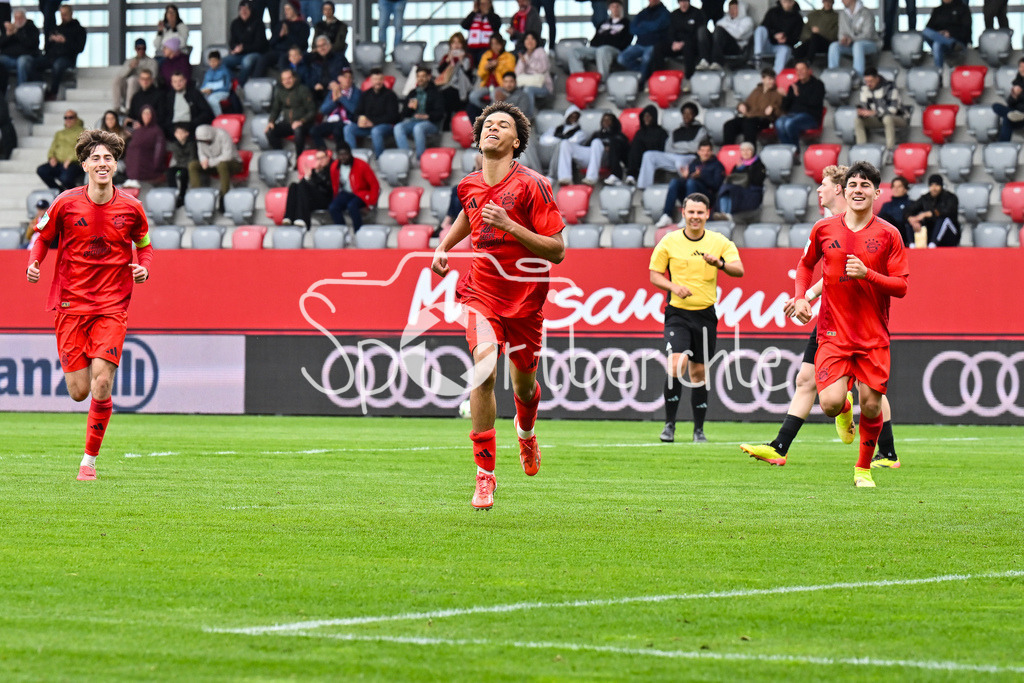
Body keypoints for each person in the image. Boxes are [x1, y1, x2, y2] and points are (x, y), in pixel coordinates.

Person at [431, 101, 565, 511]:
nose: (493, 128)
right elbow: (469, 214)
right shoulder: (469, 184)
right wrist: (444, 245)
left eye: (503, 125)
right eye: (488, 124)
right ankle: (485, 476)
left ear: (516, 141)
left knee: (524, 386)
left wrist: (509, 225)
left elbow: (557, 251)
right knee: (484, 370)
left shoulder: (533, 185)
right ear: (479, 137)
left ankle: (525, 433)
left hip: (526, 302)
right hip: (481, 294)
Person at [741, 163, 903, 470]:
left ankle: (883, 450)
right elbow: (820, 268)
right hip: (831, 318)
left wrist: (810, 296)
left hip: (857, 321)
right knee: (808, 379)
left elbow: (846, 272)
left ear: (839, 188)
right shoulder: (826, 226)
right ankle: (783, 444)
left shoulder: (867, 227)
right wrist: (804, 297)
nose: (819, 190)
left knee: (868, 391)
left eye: (825, 184)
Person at [25, 129, 152, 482]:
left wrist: (145, 267)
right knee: (79, 392)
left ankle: (89, 462)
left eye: (107, 158)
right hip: (70, 306)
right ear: (83, 164)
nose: (102, 163)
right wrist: (35, 261)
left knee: (101, 385)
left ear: (115, 164)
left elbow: (145, 244)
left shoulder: (132, 207)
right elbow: (42, 236)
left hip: (112, 306)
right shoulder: (65, 202)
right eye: (95, 158)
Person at [787, 161, 908, 487]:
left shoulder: (889, 234)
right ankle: (844, 409)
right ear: (846, 189)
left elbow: (901, 286)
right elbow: (805, 265)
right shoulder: (824, 228)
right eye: (853, 184)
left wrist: (867, 274)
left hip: (873, 336)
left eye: (865, 185)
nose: (858, 189)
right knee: (829, 403)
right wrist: (801, 297)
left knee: (871, 405)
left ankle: (863, 469)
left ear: (877, 192)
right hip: (833, 333)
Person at [650, 192, 744, 444]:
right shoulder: (669, 241)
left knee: (699, 372)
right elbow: (654, 275)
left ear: (707, 214)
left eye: (700, 213)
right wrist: (673, 286)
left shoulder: (719, 241)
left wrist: (720, 264)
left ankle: (698, 430)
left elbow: (739, 270)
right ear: (683, 213)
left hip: (705, 315)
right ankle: (669, 425)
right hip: (677, 314)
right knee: (676, 364)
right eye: (691, 212)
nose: (695, 217)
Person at [19, 3, 86, 98]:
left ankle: (53, 92)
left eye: (65, 14)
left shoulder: (79, 30)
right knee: (31, 64)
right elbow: (48, 46)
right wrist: (51, 40)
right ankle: (42, 86)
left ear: (71, 14)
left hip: (67, 58)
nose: (63, 17)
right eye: (61, 14)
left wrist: (65, 41)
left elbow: (79, 48)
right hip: (51, 56)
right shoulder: (57, 28)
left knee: (58, 65)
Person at [636, 102, 708, 190]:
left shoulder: (701, 129)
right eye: (684, 113)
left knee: (680, 161)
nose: (686, 116)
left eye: (689, 113)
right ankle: (644, 187)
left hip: (690, 157)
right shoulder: (676, 131)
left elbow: (695, 147)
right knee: (648, 155)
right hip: (674, 156)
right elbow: (668, 148)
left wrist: (677, 146)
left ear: (694, 115)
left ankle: (687, 188)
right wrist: (685, 146)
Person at [655, 139, 725, 226]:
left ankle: (688, 216)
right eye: (702, 151)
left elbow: (717, 185)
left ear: (711, 152)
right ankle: (667, 215)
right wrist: (687, 176)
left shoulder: (717, 165)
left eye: (707, 151)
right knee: (675, 182)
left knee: (692, 182)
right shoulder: (694, 163)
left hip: (707, 197)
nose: (705, 153)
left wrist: (701, 177)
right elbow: (689, 180)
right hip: (691, 194)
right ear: (698, 152)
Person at [556, 111, 628, 186]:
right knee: (565, 143)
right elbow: (587, 147)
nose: (606, 122)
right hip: (592, 158)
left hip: (605, 159)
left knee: (596, 142)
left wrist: (610, 148)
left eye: (609, 119)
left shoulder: (618, 136)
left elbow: (623, 151)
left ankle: (591, 178)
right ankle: (565, 178)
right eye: (604, 120)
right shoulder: (597, 134)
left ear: (614, 122)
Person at [567, 0, 631, 81]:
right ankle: (581, 80)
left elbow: (627, 40)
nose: (615, 9)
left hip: (614, 50)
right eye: (613, 6)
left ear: (621, 8)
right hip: (597, 49)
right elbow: (595, 38)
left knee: (602, 50)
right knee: (574, 51)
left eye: (617, 6)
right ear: (609, 8)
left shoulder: (627, 23)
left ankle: (602, 81)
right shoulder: (603, 23)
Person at [343, 67, 399, 159]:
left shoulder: (390, 95)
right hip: (367, 126)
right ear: (371, 80)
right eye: (375, 79)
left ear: (383, 80)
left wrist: (373, 122)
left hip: (385, 126)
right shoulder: (365, 95)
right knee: (348, 128)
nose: (378, 82)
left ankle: (380, 158)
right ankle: (351, 158)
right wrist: (359, 119)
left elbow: (393, 117)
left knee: (376, 131)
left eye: (380, 79)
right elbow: (356, 113)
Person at [853, 67, 909, 153]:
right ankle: (861, 149)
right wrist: (861, 112)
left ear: (877, 78)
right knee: (858, 121)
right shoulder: (864, 88)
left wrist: (874, 112)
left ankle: (890, 150)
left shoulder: (890, 87)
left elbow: (893, 109)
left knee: (887, 118)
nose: (868, 84)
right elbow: (864, 105)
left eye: (871, 81)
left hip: (898, 117)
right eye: (866, 81)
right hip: (877, 118)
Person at [327, 142, 379, 232]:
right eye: (340, 155)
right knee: (333, 207)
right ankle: (342, 232)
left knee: (352, 206)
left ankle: (358, 232)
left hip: (361, 193)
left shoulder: (362, 165)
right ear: (337, 155)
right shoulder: (334, 166)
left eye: (345, 154)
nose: (343, 157)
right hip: (346, 193)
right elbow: (335, 185)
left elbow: (375, 185)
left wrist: (371, 204)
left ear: (350, 154)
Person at [394, 66, 445, 159]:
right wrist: (409, 108)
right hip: (414, 121)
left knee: (418, 128)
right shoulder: (412, 93)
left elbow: (440, 113)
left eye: (423, 76)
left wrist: (427, 116)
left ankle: (420, 158)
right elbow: (404, 114)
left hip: (430, 123)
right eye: (418, 76)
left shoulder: (435, 93)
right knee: (398, 127)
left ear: (428, 77)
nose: (420, 79)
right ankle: (406, 157)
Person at [265, 67, 316, 157]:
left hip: (304, 123)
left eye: (289, 78)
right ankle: (280, 156)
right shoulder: (280, 92)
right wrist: (271, 121)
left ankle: (299, 158)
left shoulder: (303, 90)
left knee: (298, 130)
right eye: (284, 79)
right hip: (287, 123)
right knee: (270, 132)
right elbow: (275, 109)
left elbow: (312, 111)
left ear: (294, 78)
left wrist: (301, 121)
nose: (287, 81)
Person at [722, 68, 781, 144]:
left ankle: (750, 151)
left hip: (764, 119)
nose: (772, 82)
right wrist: (741, 105)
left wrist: (773, 107)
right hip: (749, 117)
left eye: (773, 79)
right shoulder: (757, 90)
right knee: (729, 125)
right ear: (763, 79)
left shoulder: (776, 93)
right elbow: (747, 103)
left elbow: (780, 108)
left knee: (749, 124)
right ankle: (728, 150)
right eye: (769, 79)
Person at [617, 0, 671, 83]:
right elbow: (632, 29)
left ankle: (641, 81)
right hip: (639, 44)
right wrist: (650, 27)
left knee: (646, 58)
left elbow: (656, 26)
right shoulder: (642, 12)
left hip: (654, 44)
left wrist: (643, 25)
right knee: (621, 58)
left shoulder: (665, 13)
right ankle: (643, 72)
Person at [775, 60, 824, 148]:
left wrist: (798, 94)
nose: (799, 72)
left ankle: (794, 151)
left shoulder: (818, 85)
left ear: (808, 70)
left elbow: (814, 103)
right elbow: (785, 107)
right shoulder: (794, 86)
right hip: (792, 115)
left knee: (789, 123)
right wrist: (786, 96)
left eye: (802, 69)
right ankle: (788, 151)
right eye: (797, 70)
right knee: (779, 123)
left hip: (810, 117)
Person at [282, 148, 333, 228]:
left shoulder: (331, 169)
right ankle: (288, 217)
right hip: (312, 199)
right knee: (294, 186)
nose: (320, 161)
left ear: (327, 158)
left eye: (322, 158)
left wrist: (315, 174)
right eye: (318, 158)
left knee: (303, 185)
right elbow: (302, 187)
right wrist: (307, 177)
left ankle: (302, 218)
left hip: (326, 199)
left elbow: (326, 188)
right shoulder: (314, 171)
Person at [827, 0, 880, 77]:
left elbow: (868, 34)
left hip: (870, 44)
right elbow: (841, 33)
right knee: (834, 46)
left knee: (857, 45)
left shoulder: (866, 13)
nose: (841, 1)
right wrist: (843, 39)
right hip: (851, 45)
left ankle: (858, 77)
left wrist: (852, 39)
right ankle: (833, 75)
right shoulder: (842, 14)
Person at [192, 123, 242, 202]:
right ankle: (197, 194)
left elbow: (227, 156)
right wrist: (203, 160)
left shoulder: (223, 135)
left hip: (233, 163)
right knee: (193, 165)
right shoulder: (200, 139)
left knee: (222, 165)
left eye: (206, 140)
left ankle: (224, 196)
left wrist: (210, 162)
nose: (204, 142)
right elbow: (201, 153)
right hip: (213, 164)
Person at [905, 173, 960, 247]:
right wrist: (911, 219)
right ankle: (912, 245)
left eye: (937, 185)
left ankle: (933, 244)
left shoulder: (950, 197)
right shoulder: (925, 198)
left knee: (943, 220)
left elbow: (948, 211)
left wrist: (928, 214)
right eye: (931, 185)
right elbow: (909, 209)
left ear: (941, 186)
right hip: (931, 232)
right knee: (912, 220)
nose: (934, 188)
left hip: (950, 235)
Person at [311, 68, 359, 150]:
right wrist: (334, 100)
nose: (347, 79)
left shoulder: (357, 92)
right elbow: (323, 110)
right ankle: (324, 152)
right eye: (345, 77)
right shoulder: (332, 92)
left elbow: (354, 110)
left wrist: (341, 97)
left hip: (347, 121)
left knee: (337, 130)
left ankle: (341, 153)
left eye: (350, 77)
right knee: (314, 130)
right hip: (332, 121)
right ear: (339, 79)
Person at [468, 35, 516, 114]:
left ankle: (491, 113)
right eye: (492, 44)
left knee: (494, 95)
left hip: (501, 85)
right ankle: (488, 111)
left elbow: (509, 74)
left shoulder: (509, 56)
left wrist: (498, 66)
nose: (495, 47)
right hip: (487, 86)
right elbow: (480, 74)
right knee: (472, 96)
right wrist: (486, 68)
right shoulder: (487, 55)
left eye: (497, 44)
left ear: (502, 44)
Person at [753, 0, 803, 76]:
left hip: (783, 46)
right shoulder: (772, 12)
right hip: (768, 44)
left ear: (793, 2)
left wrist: (786, 39)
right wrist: (774, 35)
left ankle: (775, 76)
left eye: (788, 1)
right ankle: (757, 57)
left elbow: (797, 38)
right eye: (784, 1)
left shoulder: (798, 18)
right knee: (760, 29)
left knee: (784, 50)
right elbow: (765, 27)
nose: (786, 4)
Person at [224, 0, 268, 86]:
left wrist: (244, 48)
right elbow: (232, 41)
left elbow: (260, 45)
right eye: (241, 9)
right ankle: (234, 80)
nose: (244, 12)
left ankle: (240, 85)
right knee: (224, 62)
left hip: (255, 53)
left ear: (251, 10)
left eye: (246, 9)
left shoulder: (258, 23)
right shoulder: (235, 23)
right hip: (239, 54)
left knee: (247, 61)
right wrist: (235, 48)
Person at [37, 109, 84, 190]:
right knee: (42, 170)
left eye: (71, 117)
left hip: (74, 164)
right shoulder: (59, 133)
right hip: (59, 163)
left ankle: (75, 193)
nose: (68, 120)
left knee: (65, 178)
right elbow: (53, 147)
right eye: (66, 118)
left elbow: (83, 149)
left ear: (76, 119)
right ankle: (59, 190)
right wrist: (51, 157)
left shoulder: (82, 132)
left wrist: (71, 159)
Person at [715, 141, 765, 216]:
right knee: (725, 189)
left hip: (751, 191)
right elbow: (732, 179)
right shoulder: (738, 165)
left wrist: (745, 169)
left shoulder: (758, 164)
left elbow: (757, 181)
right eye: (743, 150)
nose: (745, 152)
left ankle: (726, 214)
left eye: (748, 150)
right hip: (737, 189)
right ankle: (724, 213)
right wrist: (738, 169)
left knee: (730, 189)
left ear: (753, 152)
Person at [160, 71, 214, 137]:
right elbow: (164, 116)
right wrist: (173, 130)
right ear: (171, 83)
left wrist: (192, 124)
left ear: (185, 81)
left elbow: (206, 112)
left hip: (191, 126)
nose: (178, 84)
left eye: (180, 81)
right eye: (175, 82)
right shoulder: (168, 97)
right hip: (173, 128)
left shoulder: (194, 94)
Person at [434, 32, 475, 119]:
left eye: (459, 42)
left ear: (463, 45)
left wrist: (461, 61)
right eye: (454, 42)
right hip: (447, 84)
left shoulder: (468, 57)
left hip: (462, 85)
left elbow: (469, 74)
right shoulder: (446, 57)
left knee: (452, 93)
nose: (456, 45)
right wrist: (448, 61)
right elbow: (440, 71)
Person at [625, 104, 668, 185]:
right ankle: (631, 175)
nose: (646, 118)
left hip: (654, 159)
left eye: (649, 116)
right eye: (644, 116)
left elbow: (663, 149)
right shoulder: (640, 132)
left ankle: (633, 174)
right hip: (639, 159)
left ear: (654, 117)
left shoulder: (661, 132)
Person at [667, 0, 711, 79]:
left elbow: (700, 33)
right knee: (658, 47)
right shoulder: (674, 14)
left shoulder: (698, 13)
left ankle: (689, 78)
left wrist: (683, 43)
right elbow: (670, 31)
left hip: (692, 44)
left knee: (688, 47)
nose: (683, 4)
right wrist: (673, 42)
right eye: (681, 2)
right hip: (676, 44)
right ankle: (658, 77)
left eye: (685, 1)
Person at [921, 0, 971, 70]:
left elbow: (966, 29)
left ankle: (939, 73)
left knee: (937, 44)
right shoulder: (937, 10)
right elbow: (929, 28)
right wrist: (940, 33)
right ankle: (951, 44)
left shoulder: (963, 8)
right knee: (926, 33)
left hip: (958, 41)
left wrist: (950, 33)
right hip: (943, 41)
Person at [123, 105, 166, 185]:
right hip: (132, 167)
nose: (146, 116)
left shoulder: (157, 131)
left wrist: (156, 166)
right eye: (144, 114)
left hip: (149, 166)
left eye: (148, 114)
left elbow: (159, 151)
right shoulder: (138, 131)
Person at [113, 38, 158, 114]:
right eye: (138, 48)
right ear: (135, 49)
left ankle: (129, 108)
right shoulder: (130, 61)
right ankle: (117, 107)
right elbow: (121, 75)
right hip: (128, 87)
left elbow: (153, 76)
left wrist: (141, 73)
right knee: (117, 80)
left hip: (143, 84)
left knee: (133, 80)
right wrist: (130, 67)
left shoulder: (152, 62)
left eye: (143, 48)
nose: (141, 50)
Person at [708, 0, 754, 70]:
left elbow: (738, 35)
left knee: (720, 31)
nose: (732, 11)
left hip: (738, 47)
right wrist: (728, 29)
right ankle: (706, 60)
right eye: (730, 8)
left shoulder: (747, 21)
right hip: (724, 46)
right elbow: (718, 27)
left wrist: (726, 29)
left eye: (735, 8)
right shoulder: (725, 19)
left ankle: (717, 61)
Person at [514, 32, 552, 115]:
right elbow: (517, 73)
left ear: (536, 41)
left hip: (543, 85)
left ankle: (528, 117)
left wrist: (529, 61)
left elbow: (543, 68)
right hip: (526, 84)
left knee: (528, 89)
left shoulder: (541, 52)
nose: (530, 41)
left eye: (532, 39)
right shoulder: (524, 55)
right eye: (527, 39)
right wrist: (523, 62)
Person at [0, 9, 40, 86]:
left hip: (27, 57)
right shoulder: (9, 30)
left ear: (25, 18)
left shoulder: (31, 28)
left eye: (20, 18)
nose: (18, 20)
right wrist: (8, 35)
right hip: (9, 58)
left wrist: (17, 32)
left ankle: (21, 88)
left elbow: (30, 44)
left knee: (22, 61)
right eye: (16, 18)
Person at [305, 34, 349, 103]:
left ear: (330, 45)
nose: (321, 48)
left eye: (324, 45)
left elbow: (348, 75)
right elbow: (308, 76)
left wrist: (337, 83)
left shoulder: (340, 58)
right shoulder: (312, 60)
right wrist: (314, 84)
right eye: (319, 46)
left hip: (337, 90)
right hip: (317, 93)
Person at [267, 2, 311, 71]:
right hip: (278, 51)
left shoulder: (303, 25)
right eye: (285, 9)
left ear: (295, 10)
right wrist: (280, 36)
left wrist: (288, 34)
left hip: (292, 52)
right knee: (263, 58)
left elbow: (301, 44)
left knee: (283, 59)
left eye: (288, 9)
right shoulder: (282, 24)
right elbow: (271, 42)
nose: (286, 12)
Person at [793, 0, 838, 64]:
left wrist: (820, 32)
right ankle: (796, 66)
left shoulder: (836, 17)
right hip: (811, 42)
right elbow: (804, 34)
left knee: (815, 37)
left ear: (833, 2)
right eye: (826, 1)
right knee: (798, 50)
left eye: (830, 2)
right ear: (822, 2)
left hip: (826, 44)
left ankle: (808, 62)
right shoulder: (813, 15)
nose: (827, 4)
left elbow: (834, 35)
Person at [992, 57, 1024, 143]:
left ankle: (1002, 144)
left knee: (1007, 118)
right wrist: (1014, 96)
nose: (1022, 69)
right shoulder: (1017, 82)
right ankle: (1017, 115)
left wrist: (1021, 94)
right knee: (996, 107)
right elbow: (1010, 104)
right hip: (1015, 113)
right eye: (1020, 67)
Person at [461, 0, 501, 65]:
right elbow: (464, 25)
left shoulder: (494, 17)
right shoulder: (473, 16)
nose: (483, 6)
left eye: (485, 4)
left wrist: (487, 13)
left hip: (487, 48)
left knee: (483, 61)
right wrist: (474, 11)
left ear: (490, 4)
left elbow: (496, 26)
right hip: (471, 49)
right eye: (481, 4)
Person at [165, 123, 196, 206]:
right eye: (177, 133)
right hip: (178, 167)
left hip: (187, 167)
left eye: (181, 132)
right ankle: (174, 193)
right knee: (171, 172)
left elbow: (192, 158)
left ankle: (182, 195)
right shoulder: (174, 145)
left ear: (187, 133)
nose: (179, 135)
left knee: (183, 174)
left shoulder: (191, 144)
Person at [878, 175, 912, 245]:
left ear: (906, 189)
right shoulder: (886, 205)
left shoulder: (911, 204)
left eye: (899, 186)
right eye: (894, 186)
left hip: (903, 235)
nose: (896, 189)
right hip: (888, 234)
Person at [199, 50, 232, 116]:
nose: (212, 63)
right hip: (208, 93)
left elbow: (227, 87)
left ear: (219, 61)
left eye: (214, 61)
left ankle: (218, 117)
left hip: (222, 92)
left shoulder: (225, 71)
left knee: (212, 99)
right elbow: (203, 85)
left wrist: (212, 91)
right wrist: (203, 90)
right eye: (210, 61)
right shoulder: (208, 73)